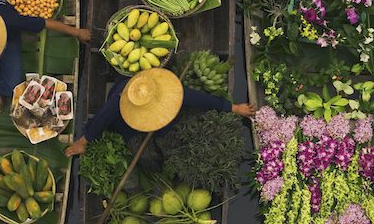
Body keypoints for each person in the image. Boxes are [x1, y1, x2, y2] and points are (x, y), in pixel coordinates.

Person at [64, 67, 256, 157]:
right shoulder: (120, 101)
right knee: (147, 156)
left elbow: (200, 99)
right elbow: (100, 119)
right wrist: (82, 142)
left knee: (175, 133)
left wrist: (234, 108)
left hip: (162, 121)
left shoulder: (170, 92)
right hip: (127, 126)